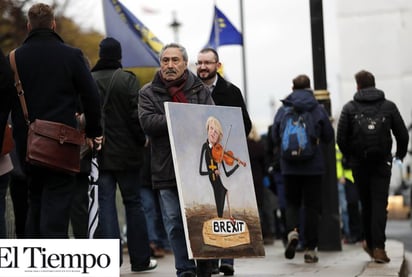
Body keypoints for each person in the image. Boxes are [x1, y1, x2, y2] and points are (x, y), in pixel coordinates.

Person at [6, 3, 102, 238]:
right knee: (57, 205)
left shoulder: (13, 59)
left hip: (27, 144)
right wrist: (93, 132)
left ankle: (33, 262)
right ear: (53, 24)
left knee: (34, 201)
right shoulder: (72, 55)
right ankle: (53, 261)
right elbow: (92, 96)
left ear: (29, 26)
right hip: (62, 144)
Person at [138, 43, 214, 277]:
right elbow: (148, 123)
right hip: (166, 167)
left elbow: (211, 120)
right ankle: (184, 268)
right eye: (165, 60)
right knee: (174, 222)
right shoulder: (147, 92)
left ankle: (204, 266)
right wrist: (182, 116)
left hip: (197, 168)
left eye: (175, 60)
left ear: (184, 63)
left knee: (201, 219)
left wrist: (175, 118)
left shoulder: (200, 90)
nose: (170, 65)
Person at [91, 37, 156, 272]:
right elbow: (135, 117)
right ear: (118, 56)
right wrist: (141, 141)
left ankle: (109, 262)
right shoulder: (128, 80)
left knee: (106, 205)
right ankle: (140, 260)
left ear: (100, 54)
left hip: (100, 154)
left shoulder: (90, 78)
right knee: (133, 204)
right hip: (128, 155)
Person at [337, 70, 409, 263]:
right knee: (379, 204)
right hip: (382, 163)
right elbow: (403, 135)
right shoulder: (389, 106)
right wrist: (399, 155)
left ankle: (369, 242)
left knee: (366, 204)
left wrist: (350, 156)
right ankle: (379, 247)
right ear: (374, 84)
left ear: (358, 86)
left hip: (359, 165)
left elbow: (341, 139)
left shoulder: (349, 108)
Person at [196, 47, 252, 276]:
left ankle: (228, 258)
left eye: (207, 63)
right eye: (199, 62)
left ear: (217, 65)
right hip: (205, 163)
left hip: (226, 159)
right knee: (210, 210)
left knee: (229, 209)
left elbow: (245, 124)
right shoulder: (192, 90)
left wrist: (229, 146)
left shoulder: (231, 91)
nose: (202, 67)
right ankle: (208, 261)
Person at [271, 74, 334, 263]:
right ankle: (310, 249)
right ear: (309, 88)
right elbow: (329, 136)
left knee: (292, 203)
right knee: (312, 207)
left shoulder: (284, 109)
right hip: (313, 166)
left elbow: (275, 136)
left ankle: (293, 232)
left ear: (293, 88)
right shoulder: (317, 109)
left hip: (289, 167)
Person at [199, 116, 242, 218]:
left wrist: (237, 165)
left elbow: (226, 173)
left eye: (216, 131)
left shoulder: (219, 150)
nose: (213, 133)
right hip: (213, 181)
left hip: (219, 183)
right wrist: (213, 172)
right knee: (218, 204)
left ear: (219, 136)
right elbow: (201, 171)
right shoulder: (205, 147)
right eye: (211, 129)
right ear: (207, 130)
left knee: (220, 210)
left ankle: (221, 218)